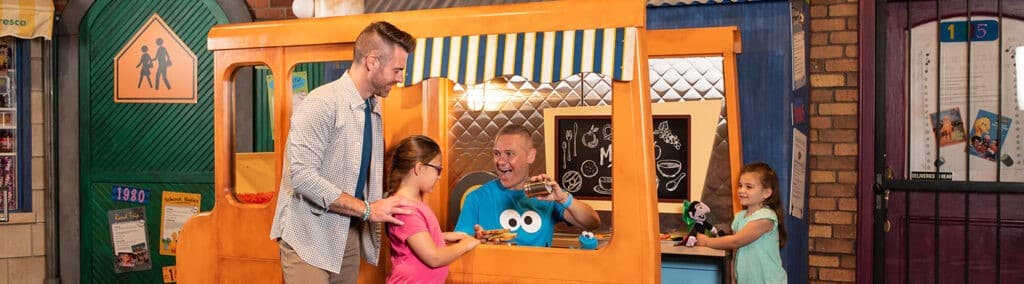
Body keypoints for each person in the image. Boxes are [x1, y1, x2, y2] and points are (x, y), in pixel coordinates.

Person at [270, 21, 417, 284]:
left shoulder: (373, 108)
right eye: (396, 69)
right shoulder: (321, 103)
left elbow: (359, 176)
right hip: (307, 235)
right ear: (372, 61)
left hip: (345, 234)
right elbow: (302, 177)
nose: (399, 78)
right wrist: (367, 209)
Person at [454, 125, 601, 247]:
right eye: (497, 153)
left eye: (509, 154)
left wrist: (564, 199)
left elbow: (592, 222)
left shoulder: (546, 194)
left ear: (530, 156)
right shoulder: (477, 198)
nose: (501, 161)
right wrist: (478, 243)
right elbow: (459, 246)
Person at [385, 135, 480, 283]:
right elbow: (434, 258)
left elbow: (413, 239)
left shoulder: (413, 203)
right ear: (419, 168)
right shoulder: (405, 209)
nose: (439, 176)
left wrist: (441, 236)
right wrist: (465, 245)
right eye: (438, 169)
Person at [696, 162, 787, 283]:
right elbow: (735, 253)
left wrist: (706, 241)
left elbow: (735, 241)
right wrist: (734, 280)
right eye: (740, 185)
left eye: (749, 187)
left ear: (766, 193)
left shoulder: (765, 218)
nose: (741, 190)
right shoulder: (739, 218)